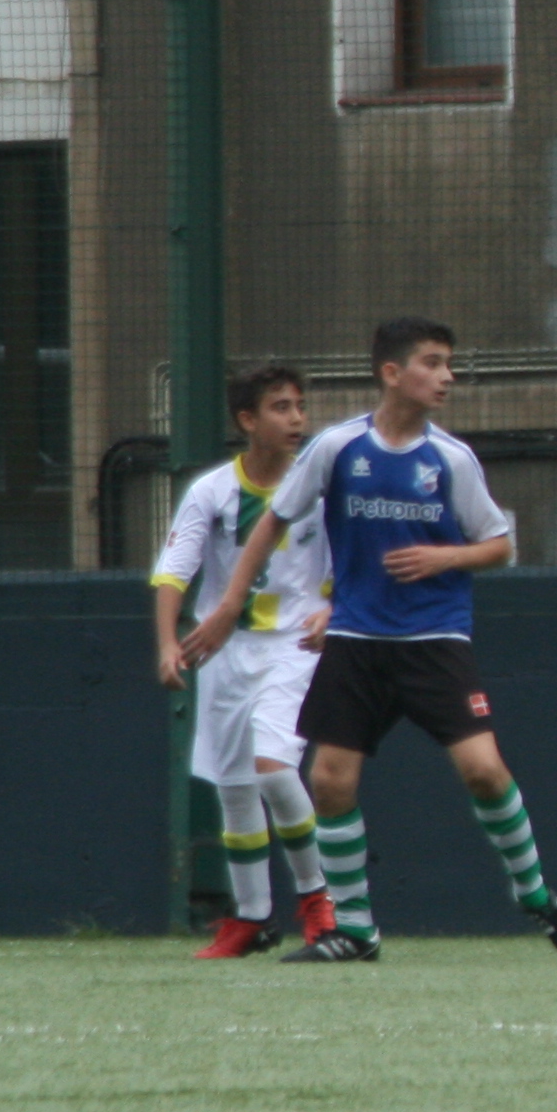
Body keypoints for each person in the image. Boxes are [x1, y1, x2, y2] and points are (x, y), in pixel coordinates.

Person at [180, 318, 557, 965]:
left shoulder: (450, 458)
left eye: (449, 364)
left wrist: (446, 557)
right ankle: (355, 930)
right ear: (391, 373)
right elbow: (274, 520)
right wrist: (230, 604)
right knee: (329, 780)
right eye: (434, 362)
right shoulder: (338, 448)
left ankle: (535, 894)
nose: (447, 376)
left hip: (434, 639)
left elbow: (500, 545)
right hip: (356, 640)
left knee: (484, 771)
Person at [152, 366, 335, 958]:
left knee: (275, 771)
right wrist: (167, 643)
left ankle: (319, 901)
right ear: (248, 420)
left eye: (300, 406)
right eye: (281, 408)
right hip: (224, 652)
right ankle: (252, 917)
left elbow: (356, 566)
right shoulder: (211, 492)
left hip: (295, 648)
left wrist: (332, 610)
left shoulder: (321, 492)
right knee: (234, 787)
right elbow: (174, 571)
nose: (297, 419)